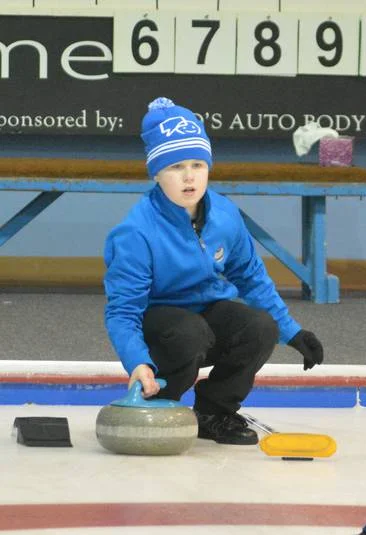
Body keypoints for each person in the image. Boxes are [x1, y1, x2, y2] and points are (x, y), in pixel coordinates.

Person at [103, 97, 324, 446]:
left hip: (206, 316)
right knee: (190, 332)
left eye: (197, 164)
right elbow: (122, 312)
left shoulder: (224, 215)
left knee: (258, 326)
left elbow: (251, 278)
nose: (189, 176)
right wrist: (137, 363)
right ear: (157, 173)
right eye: (176, 167)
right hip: (161, 325)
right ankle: (159, 400)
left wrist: (292, 332)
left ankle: (214, 412)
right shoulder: (135, 232)